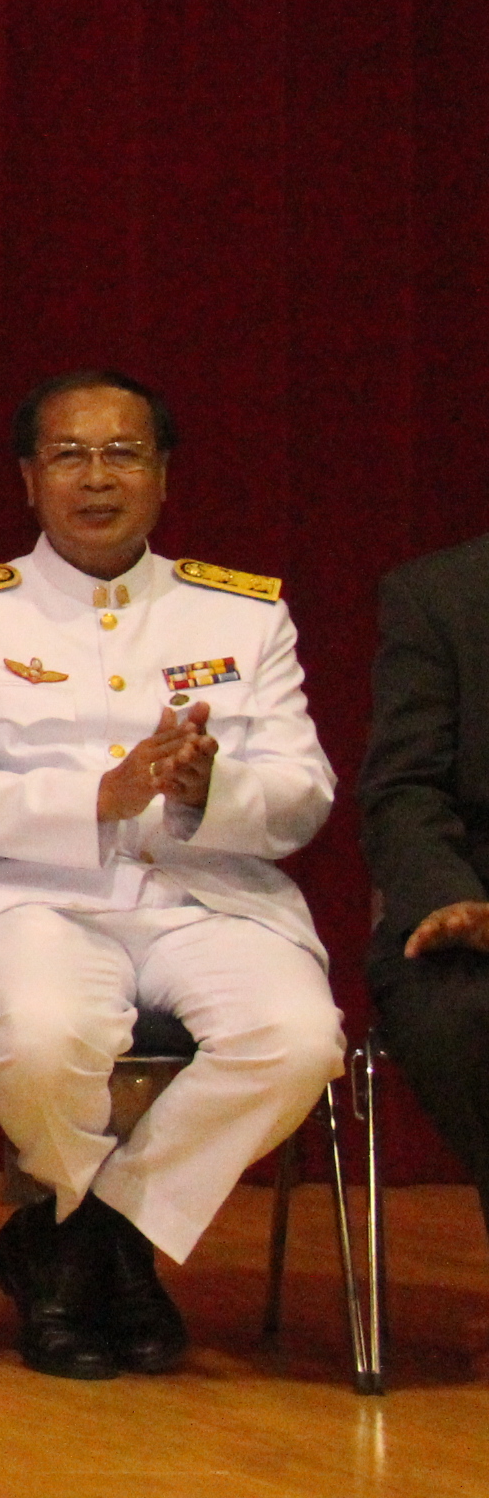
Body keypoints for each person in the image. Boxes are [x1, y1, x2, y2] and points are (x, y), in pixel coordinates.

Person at [0, 368, 345, 1379]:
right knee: (44, 1035)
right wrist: (97, 797)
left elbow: (305, 795)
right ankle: (110, 1260)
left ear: (164, 475)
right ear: (28, 478)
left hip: (207, 895)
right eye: (69, 456)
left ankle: (85, 1238)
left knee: (298, 1038)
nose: (96, 478)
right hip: (30, 899)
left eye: (122, 454)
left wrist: (209, 789)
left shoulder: (244, 616)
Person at [363, 528, 489, 1243]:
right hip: (471, 911)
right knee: (460, 1015)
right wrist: (450, 901)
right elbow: (404, 789)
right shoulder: (441, 595)